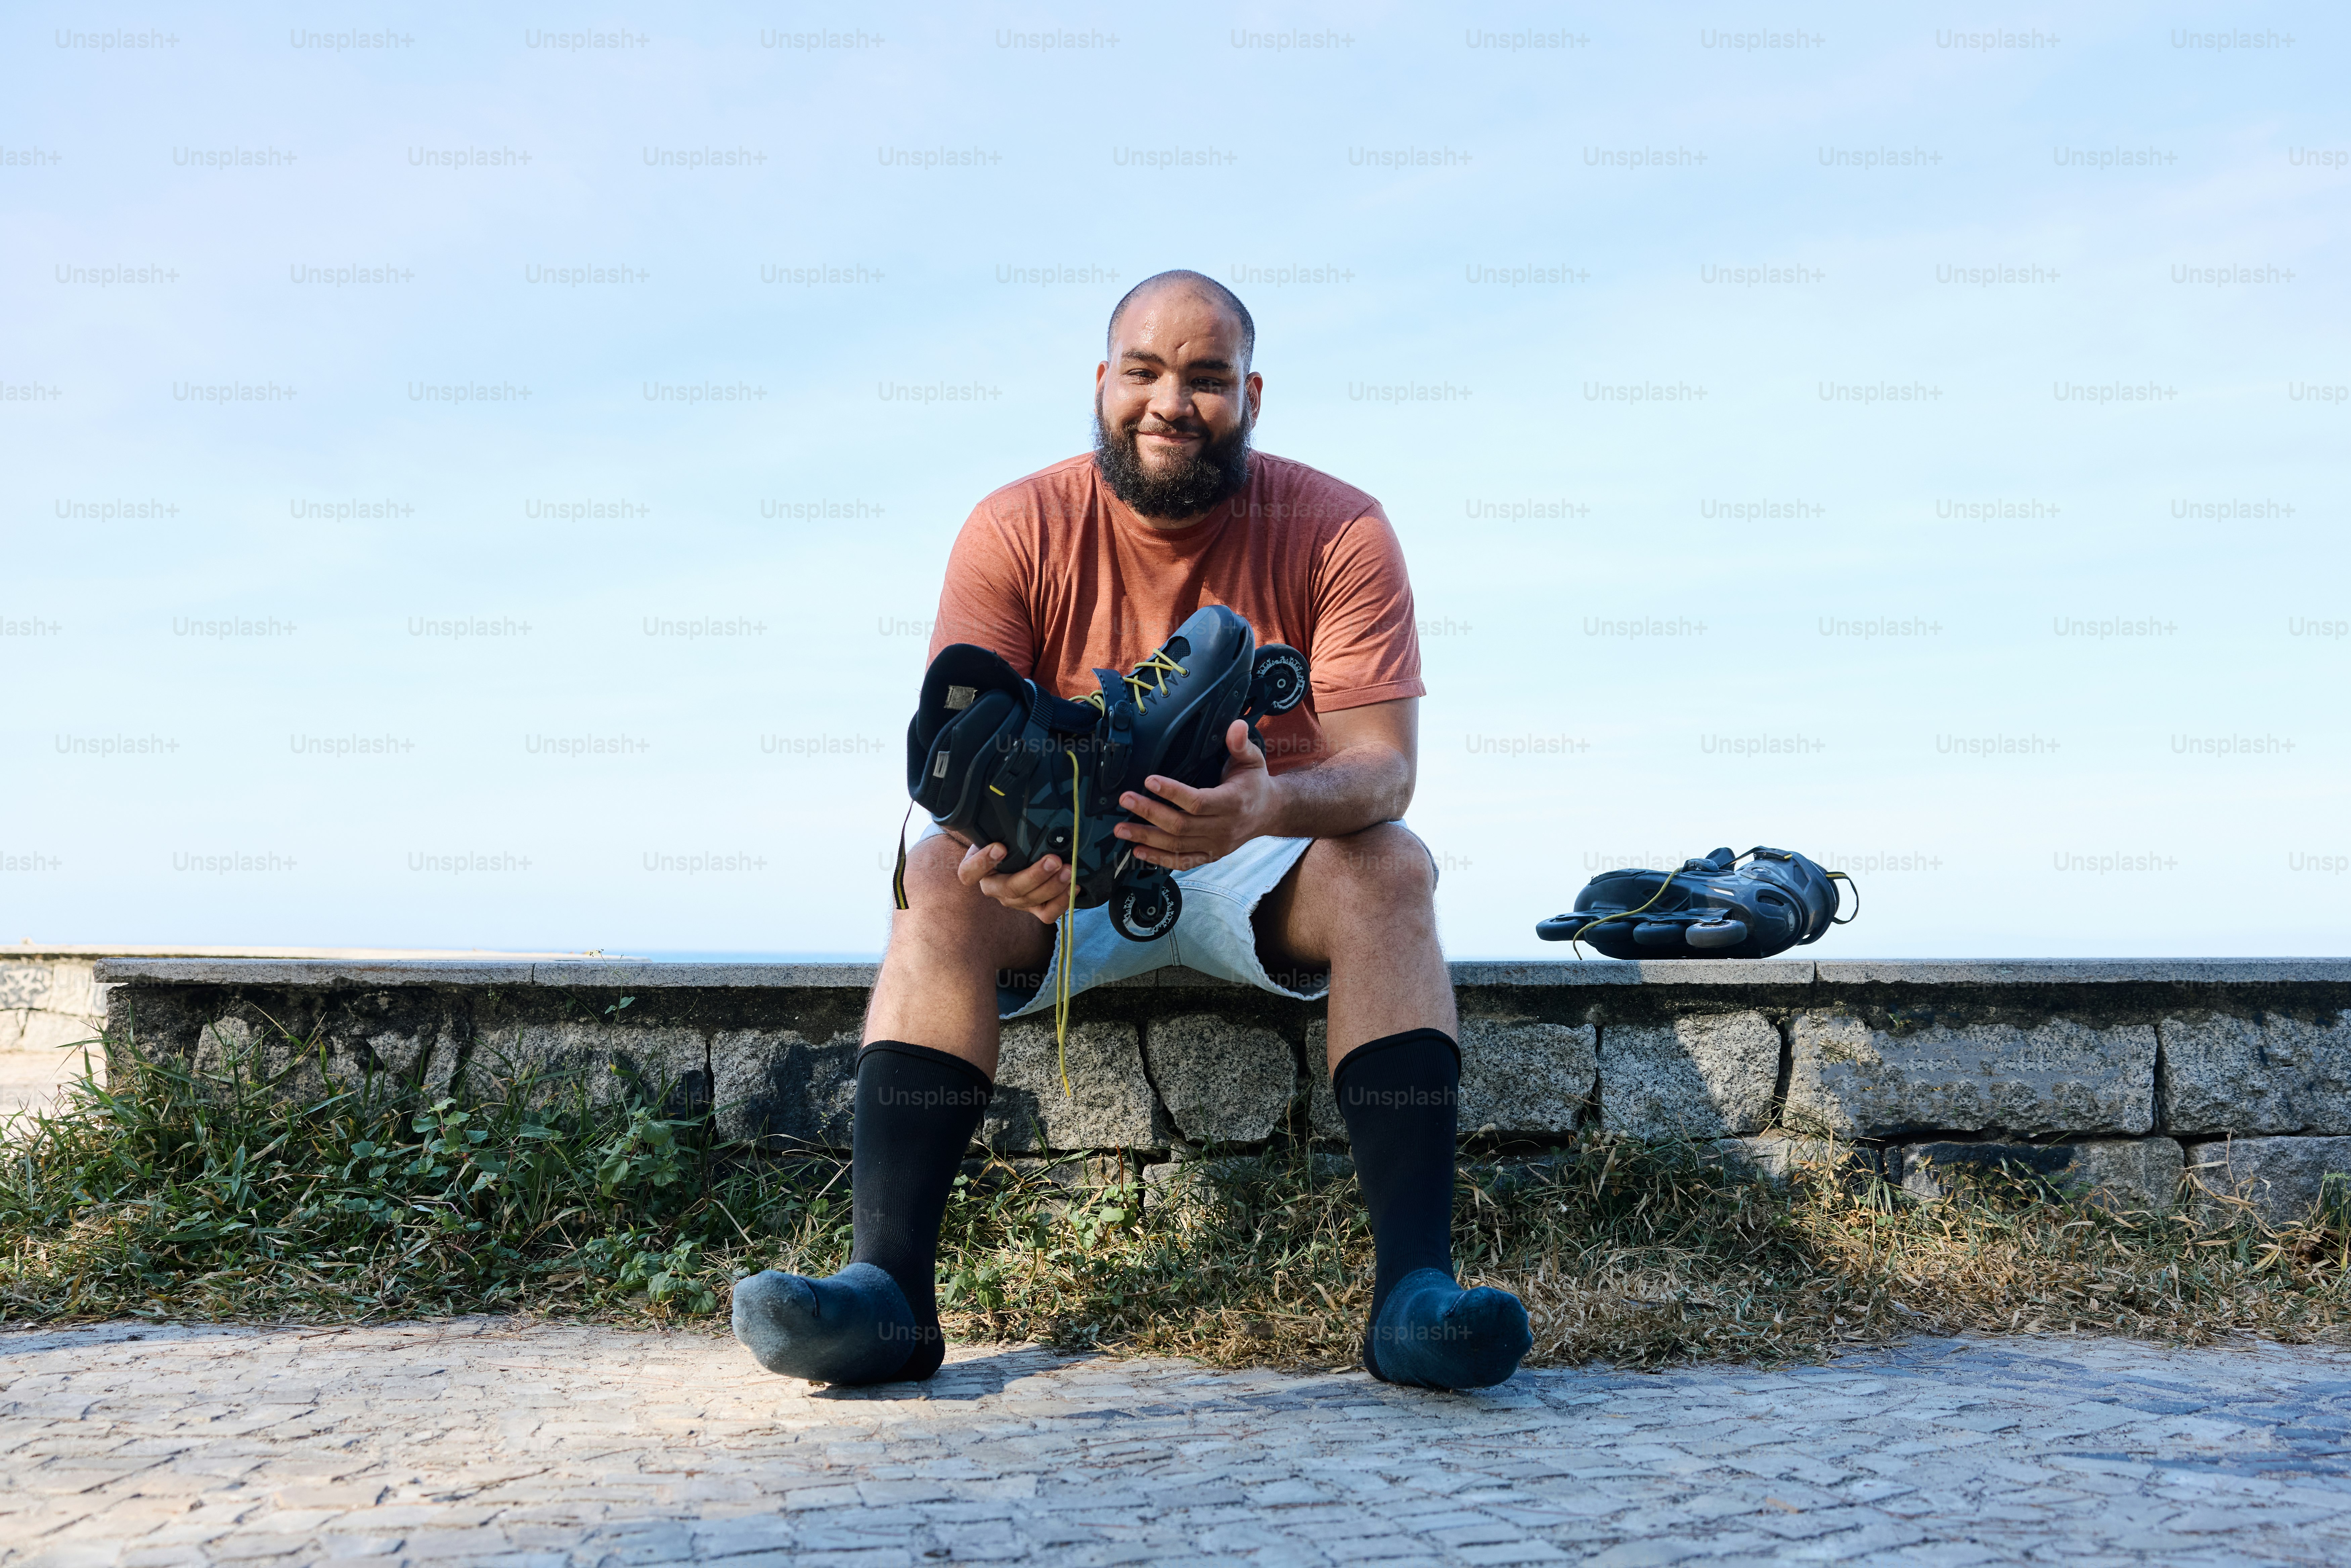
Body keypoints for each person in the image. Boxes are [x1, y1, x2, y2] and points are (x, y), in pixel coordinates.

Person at [732, 270, 1532, 1391]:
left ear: (1251, 395)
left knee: (1392, 866)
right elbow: (959, 770)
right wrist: (1012, 855)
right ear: (1103, 383)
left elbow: (1383, 773)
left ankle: (1414, 1297)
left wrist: (1265, 806)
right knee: (936, 873)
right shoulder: (1016, 525)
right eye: (1146, 373)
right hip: (1076, 865)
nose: (1172, 403)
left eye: (1207, 379)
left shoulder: (1340, 526)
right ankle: (888, 1298)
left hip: (1256, 852)